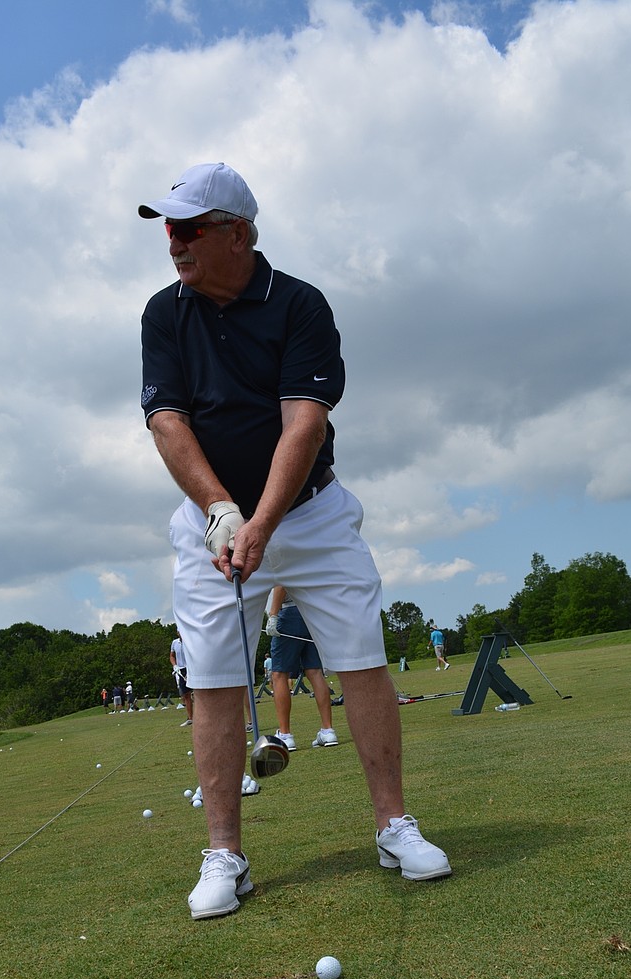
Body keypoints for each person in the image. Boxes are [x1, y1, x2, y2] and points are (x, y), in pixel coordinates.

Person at [139, 161, 451, 919]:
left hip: (308, 513)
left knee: (362, 659)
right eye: (167, 230)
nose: (172, 243)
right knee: (213, 680)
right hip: (211, 524)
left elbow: (302, 423)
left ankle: (393, 826)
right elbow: (167, 421)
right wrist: (219, 511)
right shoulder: (163, 313)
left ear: (237, 234)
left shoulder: (300, 304)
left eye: (188, 229)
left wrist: (263, 522)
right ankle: (225, 856)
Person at [266, 587, 338, 749]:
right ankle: (328, 731)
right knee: (315, 671)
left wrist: (273, 615)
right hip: (311, 613)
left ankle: (285, 735)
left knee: (279, 674)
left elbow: (281, 582)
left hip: (289, 613)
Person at [170, 631, 193, 723]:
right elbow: (172, 656)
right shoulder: (175, 642)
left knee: (198, 693)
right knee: (186, 694)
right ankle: (191, 718)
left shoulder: (190, 640)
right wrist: (174, 665)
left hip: (191, 668)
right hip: (181, 669)